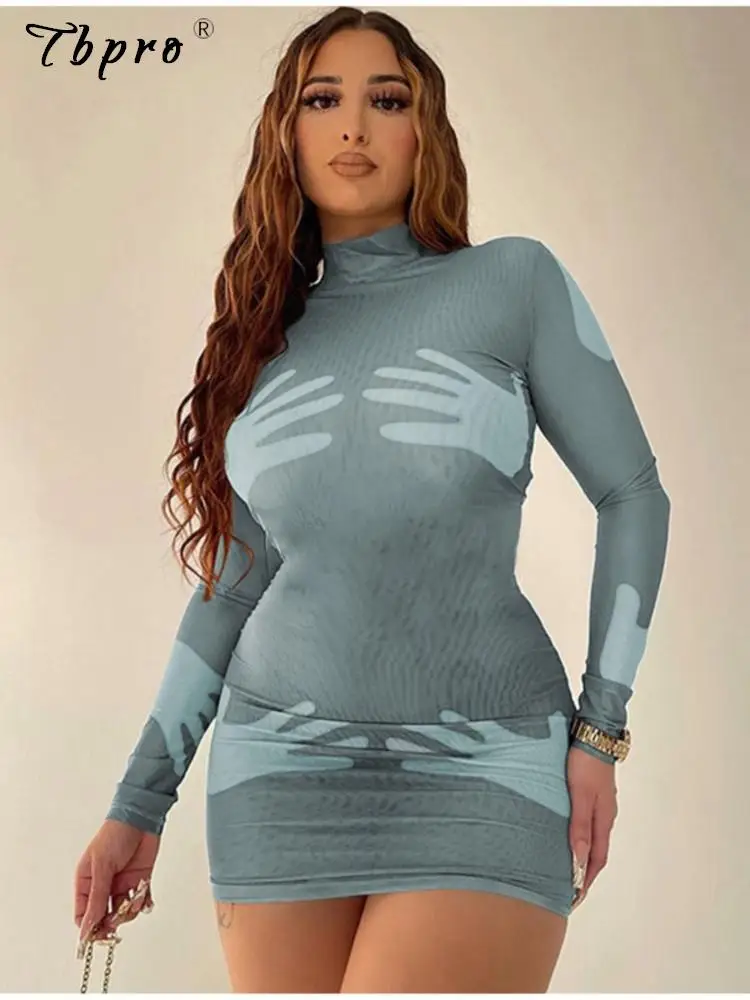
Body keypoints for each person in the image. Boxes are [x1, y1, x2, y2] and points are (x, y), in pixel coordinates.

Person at [73, 5, 671, 992]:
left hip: (487, 766)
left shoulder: (512, 283)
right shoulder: (260, 345)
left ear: (423, 130)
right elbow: (232, 588)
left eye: (386, 100)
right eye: (323, 100)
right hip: (276, 777)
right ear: (287, 134)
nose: (353, 125)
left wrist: (601, 733)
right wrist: (138, 803)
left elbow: (634, 493)